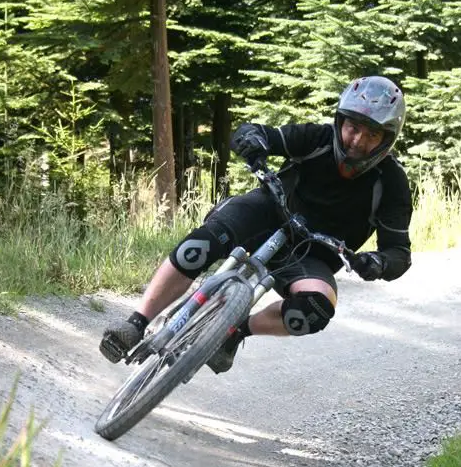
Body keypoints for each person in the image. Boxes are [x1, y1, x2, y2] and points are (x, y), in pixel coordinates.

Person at [100, 75, 413, 373]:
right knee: (197, 247)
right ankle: (136, 323)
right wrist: (253, 142)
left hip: (313, 255)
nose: (357, 141)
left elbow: (399, 252)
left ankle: (234, 333)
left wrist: (378, 262)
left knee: (315, 310)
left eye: (371, 134)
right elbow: (257, 132)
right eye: (353, 127)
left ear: (387, 139)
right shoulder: (317, 138)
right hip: (267, 213)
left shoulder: (393, 183)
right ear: (340, 120)